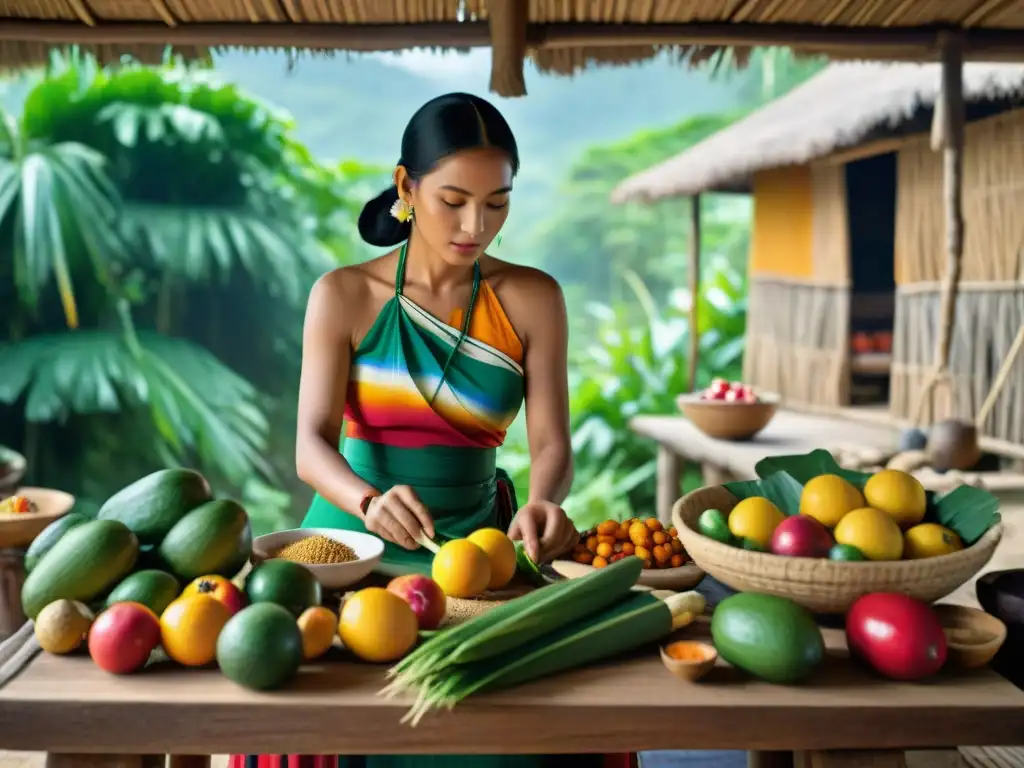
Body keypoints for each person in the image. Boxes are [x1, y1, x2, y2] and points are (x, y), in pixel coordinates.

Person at [229, 93, 637, 768]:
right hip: (349, 547)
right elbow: (309, 443)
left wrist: (545, 499)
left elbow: (552, 443)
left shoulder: (535, 299)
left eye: (497, 202)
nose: (476, 224)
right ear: (405, 188)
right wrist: (367, 501)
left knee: (526, 728)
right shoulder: (343, 295)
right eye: (454, 200)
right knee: (335, 722)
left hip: (481, 554)